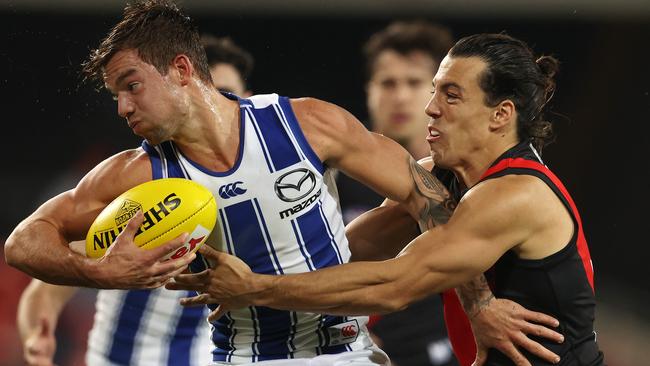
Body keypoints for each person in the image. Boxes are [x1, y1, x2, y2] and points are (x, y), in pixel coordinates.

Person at [4, 1, 563, 364]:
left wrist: (479, 301)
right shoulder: (137, 172)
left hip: (343, 353)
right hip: (242, 357)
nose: (123, 107)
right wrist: (94, 270)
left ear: (179, 70)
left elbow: (428, 200)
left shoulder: (306, 125)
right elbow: (24, 240)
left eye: (131, 86)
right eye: (115, 96)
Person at [167, 33, 605, 365]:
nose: (431, 108)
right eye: (435, 90)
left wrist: (256, 289)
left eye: (451, 95)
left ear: (501, 115)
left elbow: (393, 285)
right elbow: (346, 253)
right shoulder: (440, 178)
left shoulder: (516, 194)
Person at [14, 31, 256, 366]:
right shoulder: (145, 187)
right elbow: (47, 284)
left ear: (247, 99)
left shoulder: (265, 188)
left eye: (225, 92)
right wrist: (37, 335)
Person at [336, 20, 457, 366]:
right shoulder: (330, 179)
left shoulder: (464, 179)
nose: (401, 96)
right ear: (369, 90)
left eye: (415, 83)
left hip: (444, 353)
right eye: (388, 83)